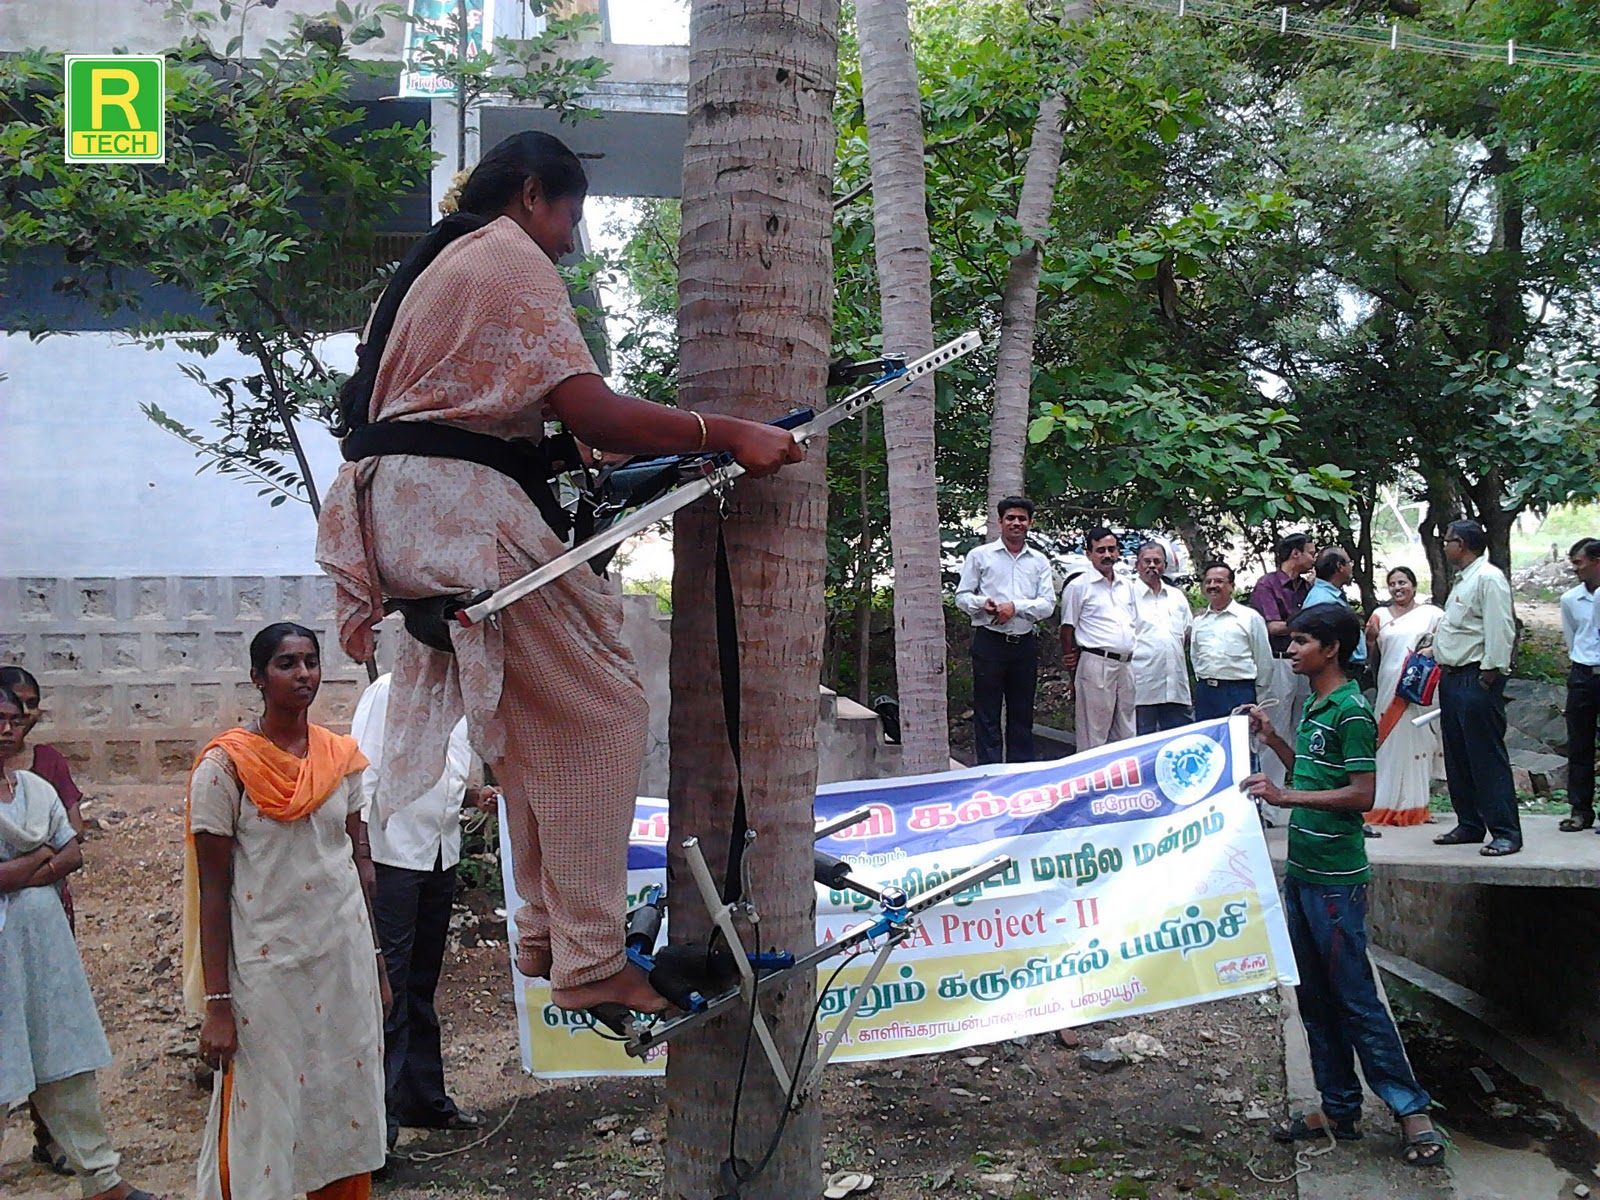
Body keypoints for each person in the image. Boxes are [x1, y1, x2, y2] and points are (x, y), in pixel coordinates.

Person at [315, 131, 802, 1017]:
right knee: (603, 715)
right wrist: (728, 432)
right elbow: (591, 410)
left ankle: (549, 936)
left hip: (408, 514)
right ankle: (591, 960)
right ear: (534, 192)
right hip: (462, 517)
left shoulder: (443, 260)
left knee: (536, 732)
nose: (571, 240)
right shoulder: (507, 256)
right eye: (570, 215)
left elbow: (505, 413)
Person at [184, 623, 389, 1200]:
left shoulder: (339, 758)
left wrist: (377, 965)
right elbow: (213, 890)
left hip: (342, 959)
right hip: (268, 967)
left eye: (310, 662)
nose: (303, 674)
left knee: (343, 1096)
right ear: (258, 678)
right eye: (286, 664)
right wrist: (218, 1005)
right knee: (266, 1109)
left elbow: (359, 867)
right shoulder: (225, 767)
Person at [1239, 606, 1446, 1169]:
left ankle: (1411, 1110)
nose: (1290, 649)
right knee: (1313, 997)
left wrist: (1284, 798)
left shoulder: (1352, 711)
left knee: (1355, 997)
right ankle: (1338, 1108)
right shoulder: (1317, 706)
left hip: (1335, 880)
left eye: (1301, 641)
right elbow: (1310, 771)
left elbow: (1362, 794)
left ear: (1331, 649)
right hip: (1304, 873)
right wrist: (1273, 740)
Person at [1, 686, 162, 1200]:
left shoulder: (34, 788)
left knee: (64, 1055)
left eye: (13, 718)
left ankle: (101, 1179)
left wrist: (21, 871)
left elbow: (72, 851)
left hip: (44, 946)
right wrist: (37, 860)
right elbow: (41, 859)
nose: (6, 728)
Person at [350, 672, 496, 1151]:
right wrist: (362, 852)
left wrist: (471, 798)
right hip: (392, 855)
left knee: (421, 983)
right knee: (388, 985)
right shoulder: (390, 691)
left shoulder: (462, 697)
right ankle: (378, 1126)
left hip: (439, 853)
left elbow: (438, 776)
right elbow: (363, 772)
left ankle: (423, 1099)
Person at [1431, 520, 1521, 856]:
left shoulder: (1488, 578)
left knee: (1485, 757)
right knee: (1458, 756)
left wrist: (1489, 675)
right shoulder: (1463, 580)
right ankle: (1469, 823)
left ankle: (1505, 832)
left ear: (1463, 544)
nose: (1444, 546)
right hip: (1452, 676)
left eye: (1447, 540)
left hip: (1476, 677)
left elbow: (1501, 629)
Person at [954, 497, 1057, 763]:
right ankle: (988, 773)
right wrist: (983, 604)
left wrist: (1015, 607)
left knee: (1022, 714)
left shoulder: (1039, 561)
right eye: (1010, 518)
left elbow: (1047, 604)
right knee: (986, 714)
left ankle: (1019, 774)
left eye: (1022, 519)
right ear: (1000, 522)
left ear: (1030, 523)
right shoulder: (980, 556)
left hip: (1024, 644)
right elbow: (962, 597)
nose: (1016, 523)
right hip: (990, 642)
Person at [1365, 567, 1444, 827]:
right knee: (1387, 743)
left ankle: (1415, 805)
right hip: (1389, 686)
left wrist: (1430, 652)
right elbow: (1372, 654)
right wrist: (1370, 640)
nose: (1398, 588)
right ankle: (1383, 803)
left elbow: (1446, 642)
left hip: (1418, 688)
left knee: (1418, 743)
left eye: (1403, 582)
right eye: (1393, 583)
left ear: (1414, 585)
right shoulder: (1380, 615)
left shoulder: (1432, 614)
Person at [1059, 528, 1138, 750]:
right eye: (1100, 550)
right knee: (1094, 733)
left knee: (1126, 731)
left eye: (1111, 549)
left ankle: (1122, 772)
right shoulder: (1078, 586)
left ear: (1118, 551)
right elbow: (1067, 629)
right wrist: (1071, 667)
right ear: (1088, 553)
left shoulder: (1127, 585)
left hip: (1126, 664)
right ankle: (1092, 773)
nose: (1107, 555)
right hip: (1096, 663)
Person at [1249, 533, 1316, 786]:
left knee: (1302, 725)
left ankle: (1302, 787)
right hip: (1278, 662)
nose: (1313, 558)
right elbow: (1272, 627)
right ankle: (1268, 793)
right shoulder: (1267, 585)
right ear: (1295, 554)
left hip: (1306, 664)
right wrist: (1306, 622)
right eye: (1310, 553)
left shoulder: (1308, 588)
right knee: (1274, 726)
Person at [1189, 561, 1274, 721]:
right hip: (1206, 693)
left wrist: (1258, 696)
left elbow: (1264, 661)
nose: (1212, 586)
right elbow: (1195, 657)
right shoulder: (1199, 622)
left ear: (1232, 586)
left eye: (1219, 581)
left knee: (1240, 736)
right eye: (1208, 582)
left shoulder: (1250, 618)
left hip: (1239, 692)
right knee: (1207, 736)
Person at [1558, 537, 1600, 832]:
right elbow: (1572, 637)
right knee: (1579, 744)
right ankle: (1580, 810)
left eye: (1579, 563)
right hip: (1584, 674)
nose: (1575, 569)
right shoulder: (1570, 599)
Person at [1131, 541, 1193, 734]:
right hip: (1142, 689)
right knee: (1142, 743)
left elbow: (1188, 633)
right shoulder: (1126, 596)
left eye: (1157, 561)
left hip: (1176, 688)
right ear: (1137, 565)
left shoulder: (1176, 597)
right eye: (1147, 561)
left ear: (1164, 566)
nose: (1152, 566)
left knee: (1179, 742)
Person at [1305, 548, 1367, 668]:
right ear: (1340, 566)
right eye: (1349, 563)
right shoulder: (1324, 601)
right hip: (1338, 669)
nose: (1351, 567)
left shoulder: (1331, 595)